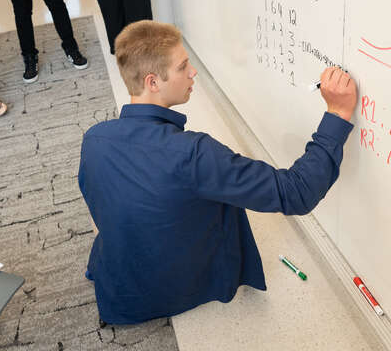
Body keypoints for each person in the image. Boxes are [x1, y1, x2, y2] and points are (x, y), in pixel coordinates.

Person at [78, 20, 357, 325]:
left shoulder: (95, 137)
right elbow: (294, 193)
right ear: (153, 82)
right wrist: (338, 114)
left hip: (118, 290)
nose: (193, 71)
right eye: (184, 66)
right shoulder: (193, 153)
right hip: (163, 292)